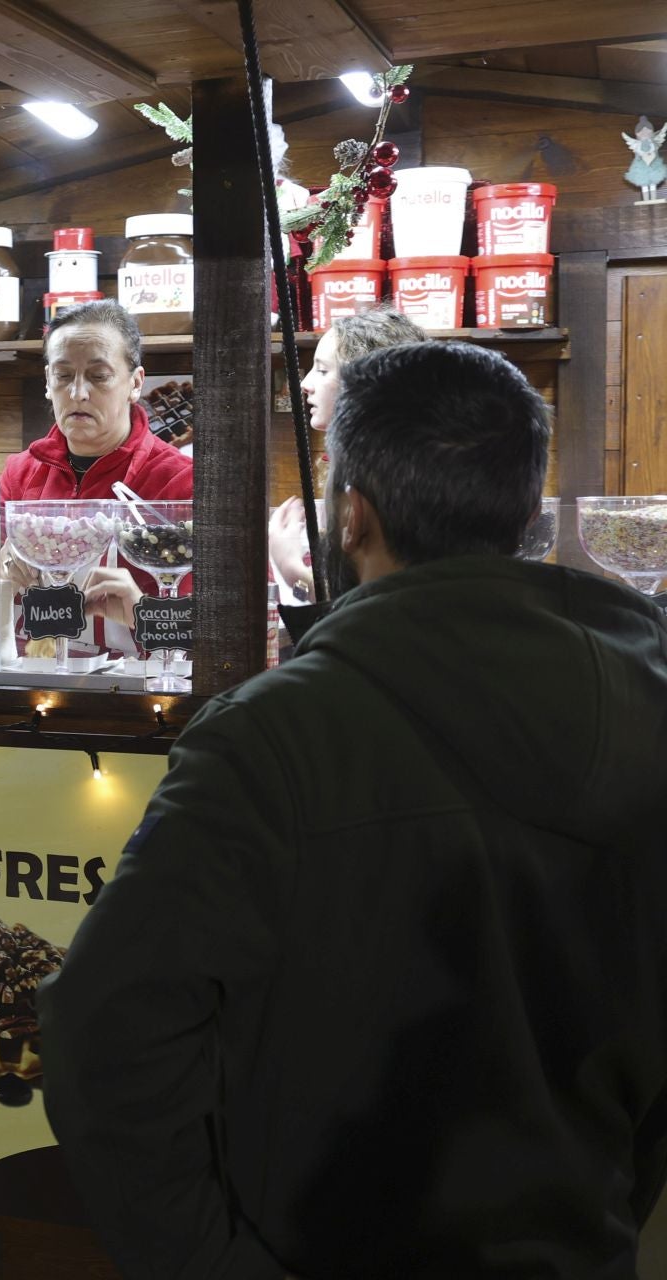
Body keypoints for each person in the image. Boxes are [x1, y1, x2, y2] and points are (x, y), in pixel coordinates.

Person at [40, 342, 667, 1278]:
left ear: (352, 514)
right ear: (526, 512)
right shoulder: (648, 702)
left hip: (309, 1246)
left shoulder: (265, 738)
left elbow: (101, 1035)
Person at [1, 300, 193, 652]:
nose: (78, 393)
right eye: (63, 376)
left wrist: (144, 614)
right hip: (31, 675)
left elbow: (226, 629)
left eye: (98, 376)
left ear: (135, 383)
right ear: (48, 381)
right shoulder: (20, 474)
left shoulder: (181, 483)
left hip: (143, 681)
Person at [268, 306, 426, 603]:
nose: (305, 384)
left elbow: (375, 601)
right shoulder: (378, 462)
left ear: (367, 384)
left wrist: (292, 569)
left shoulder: (387, 478)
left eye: (323, 370)